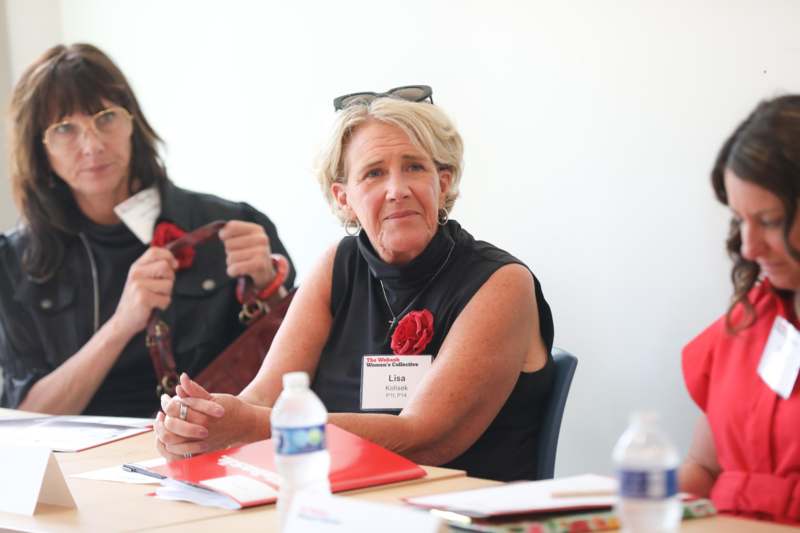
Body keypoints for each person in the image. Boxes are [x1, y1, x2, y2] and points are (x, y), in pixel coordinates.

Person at [154, 88, 554, 481]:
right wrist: (203, 422)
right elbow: (263, 397)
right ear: (343, 198)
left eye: (415, 167)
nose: (397, 190)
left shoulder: (501, 284)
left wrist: (256, 428)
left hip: (457, 515)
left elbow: (424, 438)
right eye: (374, 173)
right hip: (343, 506)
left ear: (443, 183)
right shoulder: (338, 265)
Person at [0, 43, 295, 417]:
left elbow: (296, 368)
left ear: (131, 123)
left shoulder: (230, 224)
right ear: (39, 149)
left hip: (216, 449)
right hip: (80, 465)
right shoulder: (14, 262)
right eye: (64, 129)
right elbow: (26, 419)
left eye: (105, 118)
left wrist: (269, 285)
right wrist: (122, 323)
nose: (91, 145)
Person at [679, 95, 800, 524]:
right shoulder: (748, 323)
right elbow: (704, 469)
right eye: (739, 220)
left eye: (768, 221)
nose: (748, 247)